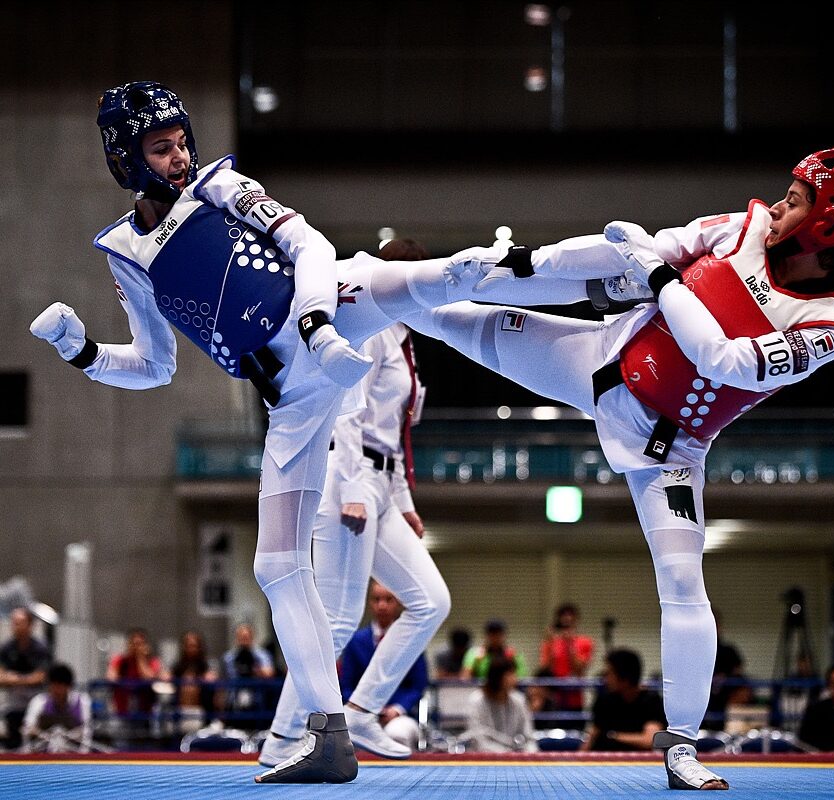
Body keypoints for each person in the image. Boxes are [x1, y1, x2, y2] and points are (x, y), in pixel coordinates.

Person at [29, 81, 589, 783]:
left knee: (438, 279)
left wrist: (320, 321)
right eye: (160, 148)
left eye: (179, 143)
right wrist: (81, 353)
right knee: (275, 567)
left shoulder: (222, 185)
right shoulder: (125, 253)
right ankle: (328, 735)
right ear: (125, 159)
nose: (177, 157)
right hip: (289, 398)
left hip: (323, 310)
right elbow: (152, 366)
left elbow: (310, 243)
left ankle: (603, 287)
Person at [412, 144, 834, 789]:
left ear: (830, 224)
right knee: (442, 313)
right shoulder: (737, 229)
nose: (780, 203)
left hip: (669, 452)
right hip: (596, 358)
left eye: (799, 198)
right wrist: (527, 263)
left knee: (683, 583)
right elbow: (630, 255)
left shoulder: (826, 328)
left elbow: (725, 362)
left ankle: (683, 747)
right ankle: (336, 290)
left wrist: (663, 280)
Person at [262, 239, 450, 765]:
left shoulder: (406, 336)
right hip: (350, 479)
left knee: (431, 602)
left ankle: (364, 712)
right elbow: (346, 409)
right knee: (340, 618)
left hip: (385, 486)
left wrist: (403, 498)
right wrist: (349, 489)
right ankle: (281, 738)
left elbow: (392, 432)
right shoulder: (371, 321)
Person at [338, 581, 429, 752]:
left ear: (398, 602)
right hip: (361, 713)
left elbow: (418, 686)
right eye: (376, 599)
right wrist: (364, 709)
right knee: (344, 735)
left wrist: (397, 709)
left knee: (398, 734)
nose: (382, 605)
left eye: (388, 599)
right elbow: (346, 686)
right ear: (370, 603)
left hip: (398, 716)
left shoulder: (411, 641)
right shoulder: (355, 641)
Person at [582, 648, 666, 752]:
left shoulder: (651, 701)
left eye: (609, 673)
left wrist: (613, 736)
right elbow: (592, 737)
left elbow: (649, 740)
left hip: (637, 762)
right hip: (603, 761)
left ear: (625, 678)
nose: (605, 678)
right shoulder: (604, 699)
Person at [105, 627, 169, 745]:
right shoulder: (120, 660)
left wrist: (140, 658)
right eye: (133, 643)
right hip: (122, 712)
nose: (136, 647)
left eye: (140, 644)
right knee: (121, 746)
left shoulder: (152, 661)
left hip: (145, 713)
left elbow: (149, 677)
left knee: (144, 748)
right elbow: (111, 677)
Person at [0, 607, 51, 751]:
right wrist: (26, 679)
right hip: (13, 704)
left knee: (36, 744)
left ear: (30, 625)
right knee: (13, 744)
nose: (15, 626)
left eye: (20, 622)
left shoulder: (40, 649)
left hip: (35, 702)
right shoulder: (6, 648)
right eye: (13, 622)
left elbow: (40, 677)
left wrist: (15, 679)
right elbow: (1, 677)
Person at [461, 654, 536, 753]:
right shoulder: (476, 701)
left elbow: (529, 737)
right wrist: (507, 754)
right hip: (485, 760)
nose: (515, 679)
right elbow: (478, 741)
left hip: (516, 759)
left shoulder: (519, 700)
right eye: (510, 674)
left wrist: (531, 754)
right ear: (497, 677)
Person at [538, 603, 594, 727]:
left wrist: (570, 645)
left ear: (576, 621)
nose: (567, 622)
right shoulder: (551, 642)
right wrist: (550, 644)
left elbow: (580, 668)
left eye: (570, 619)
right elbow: (544, 669)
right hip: (554, 700)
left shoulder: (585, 642)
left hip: (575, 699)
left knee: (576, 736)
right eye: (564, 619)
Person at [21, 662, 93, 753]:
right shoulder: (38, 702)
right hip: (43, 753)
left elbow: (87, 732)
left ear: (69, 686)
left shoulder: (82, 701)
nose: (57, 691)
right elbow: (27, 729)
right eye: (54, 686)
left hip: (72, 754)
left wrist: (84, 756)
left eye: (61, 686)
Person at [704, 607, 754, 731]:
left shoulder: (728, 651)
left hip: (725, 704)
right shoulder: (691, 652)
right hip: (701, 703)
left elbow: (740, 677)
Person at [220, 623, 276, 731]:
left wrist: (256, 669)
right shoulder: (229, 658)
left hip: (257, 700)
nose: (244, 640)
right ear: (236, 638)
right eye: (241, 637)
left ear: (252, 637)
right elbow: (223, 681)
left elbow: (270, 673)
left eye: (246, 637)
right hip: (235, 701)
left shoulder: (261, 655)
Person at [171, 630, 218, 733]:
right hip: (181, 710)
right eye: (188, 645)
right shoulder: (178, 666)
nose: (191, 649)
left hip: (200, 711)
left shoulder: (205, 666)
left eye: (194, 646)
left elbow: (213, 678)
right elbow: (167, 676)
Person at [461, 619, 528, 680]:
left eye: (498, 634)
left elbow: (521, 677)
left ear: (504, 635)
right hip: (482, 691)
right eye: (492, 634)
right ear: (486, 635)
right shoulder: (474, 653)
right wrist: (476, 663)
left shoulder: (513, 654)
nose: (495, 638)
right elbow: (465, 677)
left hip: (507, 691)